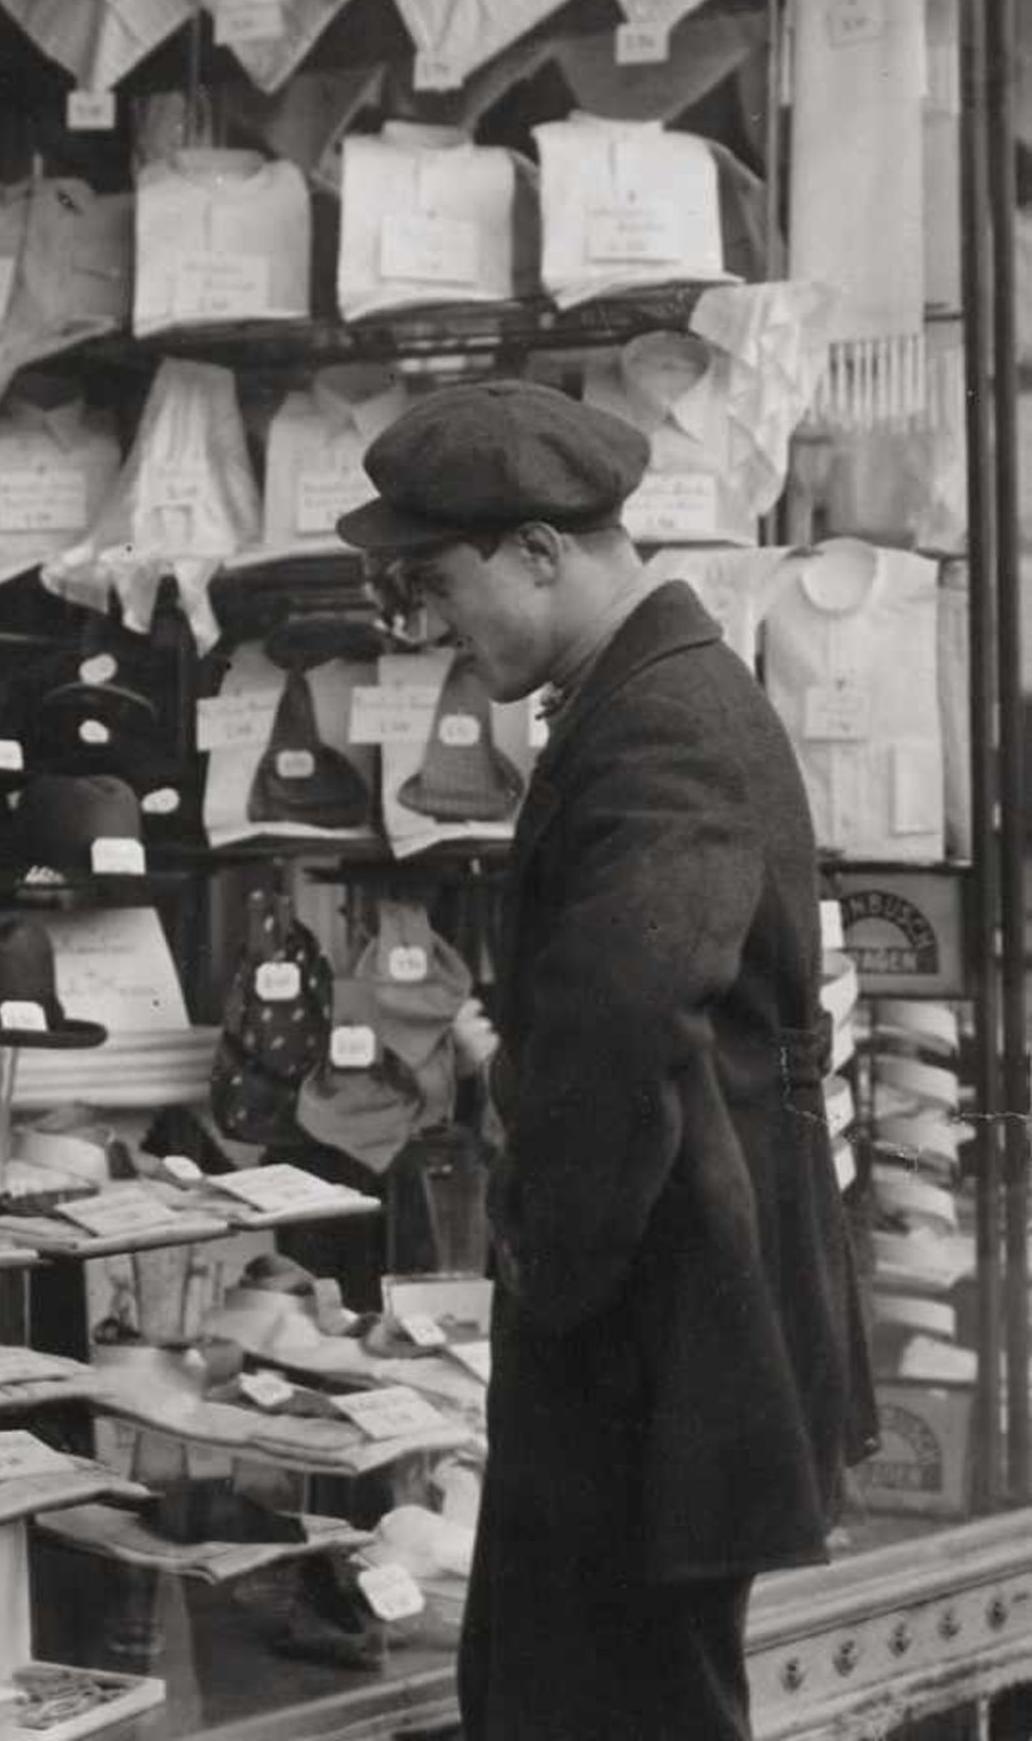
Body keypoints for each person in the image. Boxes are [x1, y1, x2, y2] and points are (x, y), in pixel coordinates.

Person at [337, 381, 876, 1741]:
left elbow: (627, 1036)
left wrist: (541, 1261)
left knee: (604, 1706)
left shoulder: (664, 722)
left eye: (433, 585)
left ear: (539, 550)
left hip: (656, 1347)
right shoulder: (643, 698)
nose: (430, 627)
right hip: (665, 1328)